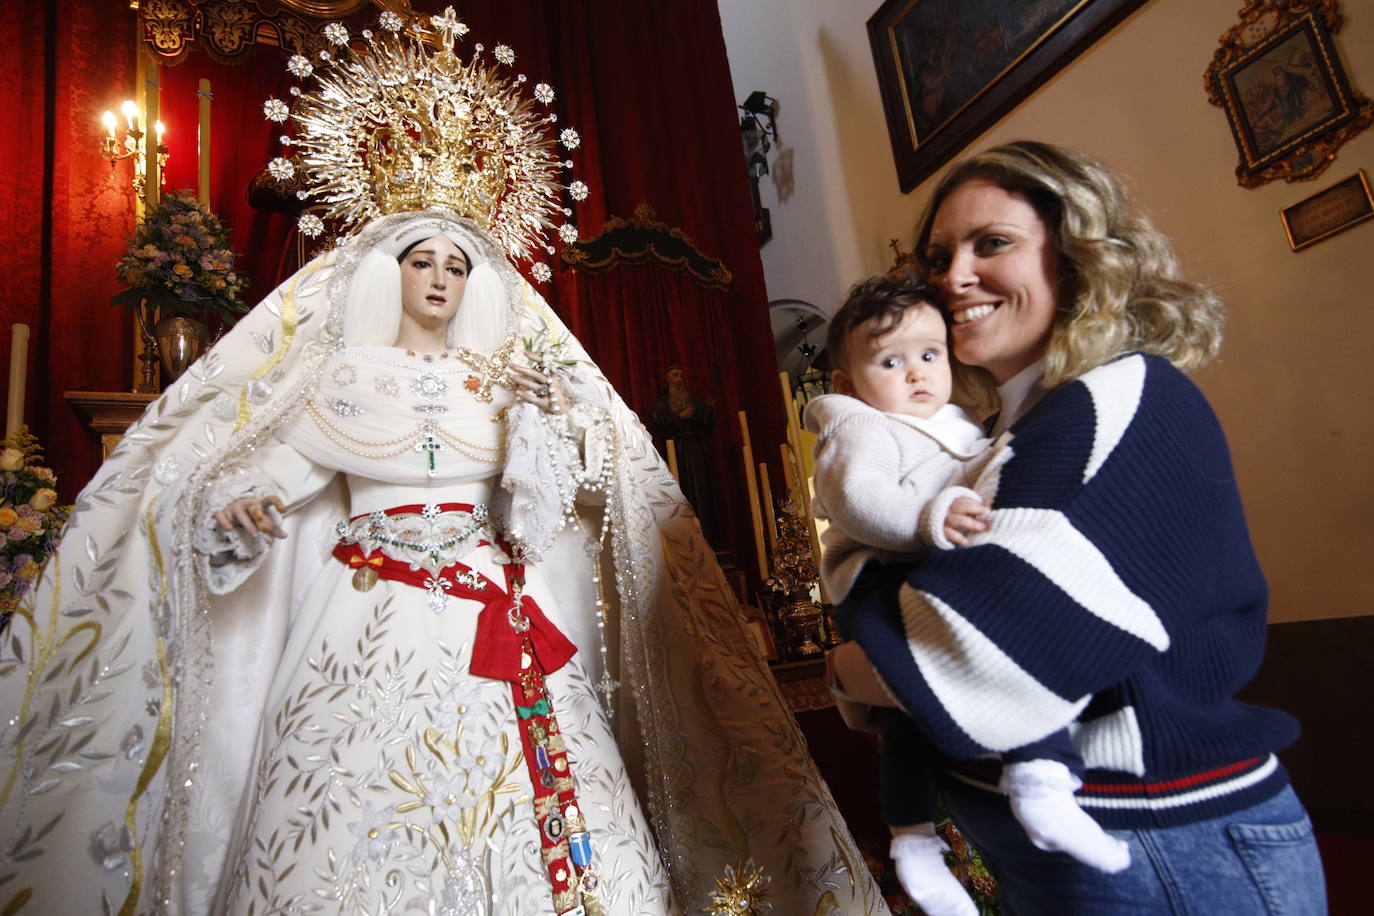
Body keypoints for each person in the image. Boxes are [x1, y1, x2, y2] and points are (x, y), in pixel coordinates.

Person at [0, 13, 890, 916]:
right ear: (387, 272)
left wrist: (545, 425)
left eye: (457, 265)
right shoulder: (342, 379)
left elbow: (546, 518)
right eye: (421, 260)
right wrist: (242, 506)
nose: (438, 278)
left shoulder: (509, 381)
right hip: (365, 610)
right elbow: (276, 480)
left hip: (495, 605)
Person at [827, 140, 1326, 915]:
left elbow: (969, 650)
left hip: (1162, 839)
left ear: (1080, 256)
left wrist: (846, 664)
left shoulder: (1117, 398)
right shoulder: (1013, 428)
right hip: (1095, 849)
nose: (952, 277)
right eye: (938, 255)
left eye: (992, 243)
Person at [805, 273, 1128, 916]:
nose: (917, 374)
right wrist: (930, 518)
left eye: (930, 355)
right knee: (975, 654)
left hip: (919, 561)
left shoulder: (952, 423)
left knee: (907, 723)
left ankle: (929, 835)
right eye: (891, 361)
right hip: (877, 573)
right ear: (847, 384)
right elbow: (859, 501)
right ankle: (962, 819)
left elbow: (979, 473)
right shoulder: (857, 425)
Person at [649, 366, 718, 544]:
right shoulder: (663, 405)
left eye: (681, 375)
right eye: (675, 375)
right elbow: (660, 425)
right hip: (677, 451)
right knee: (684, 489)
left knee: (701, 491)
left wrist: (709, 408)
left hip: (696, 451)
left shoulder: (691, 401)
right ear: (667, 379)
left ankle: (708, 534)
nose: (679, 379)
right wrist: (680, 417)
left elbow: (706, 424)